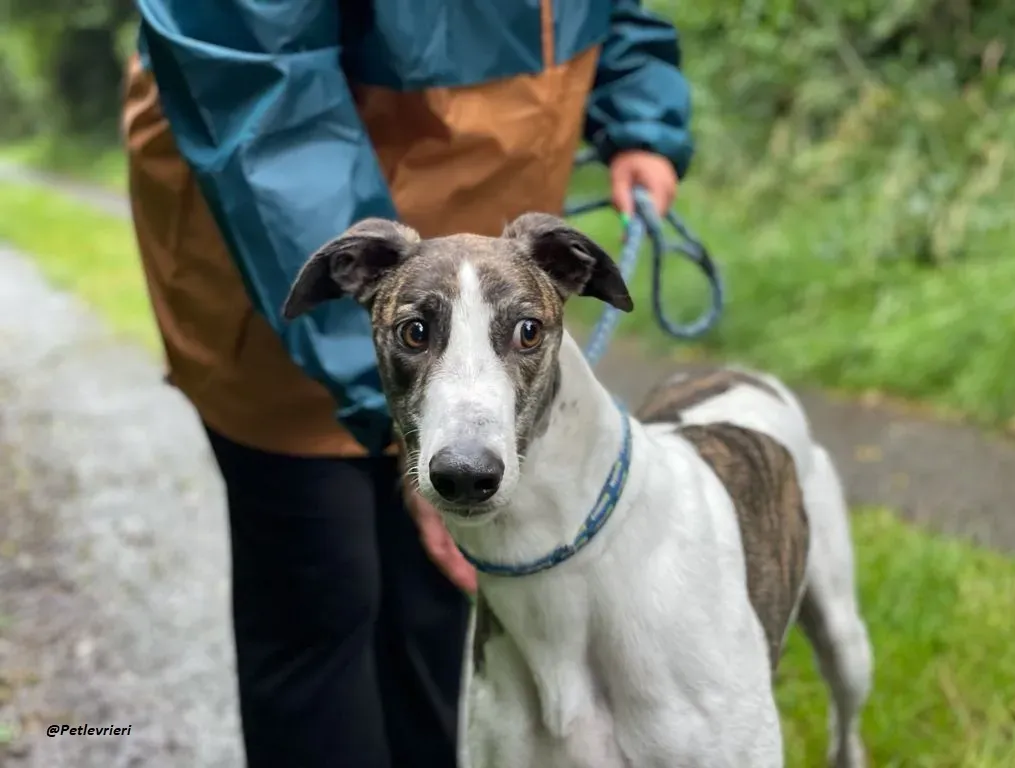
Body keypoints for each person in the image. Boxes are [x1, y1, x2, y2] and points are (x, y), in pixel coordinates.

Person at [121, 1, 693, 766]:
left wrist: (639, 116)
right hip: (272, 239)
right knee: (320, 596)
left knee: (436, 608)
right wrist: (413, 420)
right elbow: (266, 106)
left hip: (479, 228)